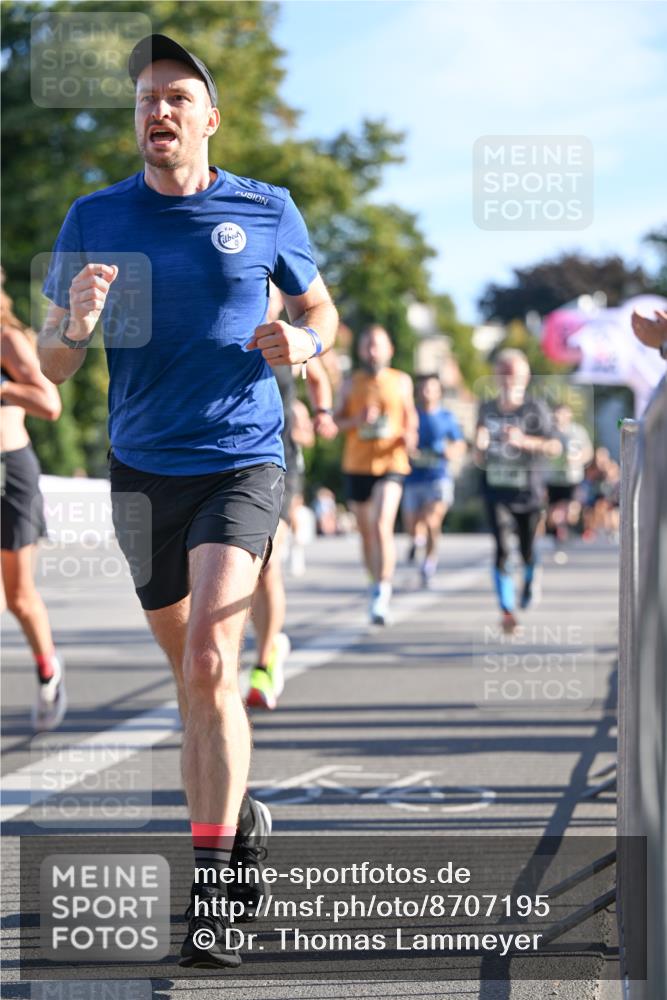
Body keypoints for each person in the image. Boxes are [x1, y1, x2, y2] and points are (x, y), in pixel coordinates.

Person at [37, 33, 338, 970]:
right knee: (191, 678)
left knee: (212, 656)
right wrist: (76, 327)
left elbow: (321, 311)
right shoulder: (95, 216)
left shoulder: (265, 207)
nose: (157, 110)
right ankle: (238, 810)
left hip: (242, 459)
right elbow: (49, 365)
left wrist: (307, 344)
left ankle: (216, 897)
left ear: (209, 117)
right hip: (140, 471)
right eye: (144, 100)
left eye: (176, 96)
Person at [248, 284, 337, 711]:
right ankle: (262, 645)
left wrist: (321, 414)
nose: (264, 299)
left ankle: (264, 662)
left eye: (271, 292)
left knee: (265, 560)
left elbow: (318, 376)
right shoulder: (228, 329)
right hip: (231, 461)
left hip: (280, 460)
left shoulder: (289, 335)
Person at [1, 278, 65, 731]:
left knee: (19, 597)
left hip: (9, 474)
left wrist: (3, 390)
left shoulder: (8, 339)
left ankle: (48, 673)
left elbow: (50, 402)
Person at [335, 325, 417, 624]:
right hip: (357, 464)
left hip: (392, 461)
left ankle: (383, 590)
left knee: (383, 523)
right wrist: (356, 420)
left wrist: (410, 435)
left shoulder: (401, 381)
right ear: (360, 350)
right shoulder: (350, 383)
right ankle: (374, 581)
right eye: (367, 345)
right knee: (367, 531)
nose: (372, 351)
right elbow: (336, 422)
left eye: (377, 345)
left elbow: (411, 418)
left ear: (389, 350)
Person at [475, 349, 561, 634]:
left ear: (525, 377)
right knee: (501, 547)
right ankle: (507, 610)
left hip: (528, 491)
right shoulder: (486, 409)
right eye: (504, 371)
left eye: (515, 372)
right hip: (495, 488)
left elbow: (554, 446)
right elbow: (477, 456)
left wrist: (523, 441)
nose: (509, 377)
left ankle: (530, 573)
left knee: (526, 548)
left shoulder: (535, 408)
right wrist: (479, 446)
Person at [401, 373, 465, 587]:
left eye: (432, 388)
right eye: (424, 388)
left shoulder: (447, 417)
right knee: (412, 523)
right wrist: (408, 449)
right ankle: (415, 541)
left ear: (439, 392)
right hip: (413, 477)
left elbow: (460, 444)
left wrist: (450, 451)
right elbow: (402, 438)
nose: (427, 392)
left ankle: (429, 563)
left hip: (438, 476)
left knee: (431, 521)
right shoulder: (412, 415)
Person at [545, 403, 593, 562]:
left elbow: (588, 452)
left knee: (571, 511)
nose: (559, 418)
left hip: (572, 478)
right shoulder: (548, 432)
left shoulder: (578, 431)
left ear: (569, 415)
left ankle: (566, 533)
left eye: (563, 414)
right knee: (555, 513)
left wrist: (578, 459)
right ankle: (559, 539)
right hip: (552, 479)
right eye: (557, 414)